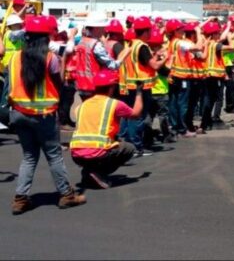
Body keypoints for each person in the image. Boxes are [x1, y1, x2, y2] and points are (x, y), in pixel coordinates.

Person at [9, 15, 86, 215]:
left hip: (18, 114)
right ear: (46, 37)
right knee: (54, 156)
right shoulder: (51, 58)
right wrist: (64, 61)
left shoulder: (15, 57)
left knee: (29, 157)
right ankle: (67, 195)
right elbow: (58, 83)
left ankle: (20, 198)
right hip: (44, 116)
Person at [70, 70, 142, 189]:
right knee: (129, 148)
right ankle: (99, 173)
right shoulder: (114, 104)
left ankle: (89, 171)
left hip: (76, 155)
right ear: (111, 87)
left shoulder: (82, 105)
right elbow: (136, 114)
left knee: (110, 144)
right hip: (98, 153)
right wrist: (139, 93)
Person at [119, 16, 166, 157]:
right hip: (140, 88)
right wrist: (167, 58)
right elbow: (155, 66)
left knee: (129, 117)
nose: (151, 33)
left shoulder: (131, 44)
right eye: (150, 30)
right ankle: (136, 147)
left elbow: (140, 63)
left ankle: (128, 145)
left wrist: (155, 55)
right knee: (138, 117)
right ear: (145, 31)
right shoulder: (142, 47)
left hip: (129, 86)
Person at [146, 29, 174, 143]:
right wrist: (170, 59)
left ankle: (147, 136)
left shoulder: (146, 57)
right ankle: (167, 135)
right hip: (160, 90)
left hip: (149, 89)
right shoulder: (158, 59)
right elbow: (165, 71)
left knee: (149, 115)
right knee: (163, 115)